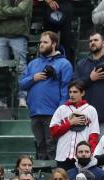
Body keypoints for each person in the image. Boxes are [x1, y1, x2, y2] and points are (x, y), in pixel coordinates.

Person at [20, 32, 73, 161]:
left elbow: (65, 88)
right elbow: (21, 83)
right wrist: (33, 78)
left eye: (45, 42)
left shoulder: (64, 63)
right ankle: (41, 177)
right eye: (40, 42)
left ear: (54, 44)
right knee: (39, 146)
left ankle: (54, 177)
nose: (41, 45)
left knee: (52, 146)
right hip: (35, 112)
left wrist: (61, 111)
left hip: (52, 113)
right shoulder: (33, 63)